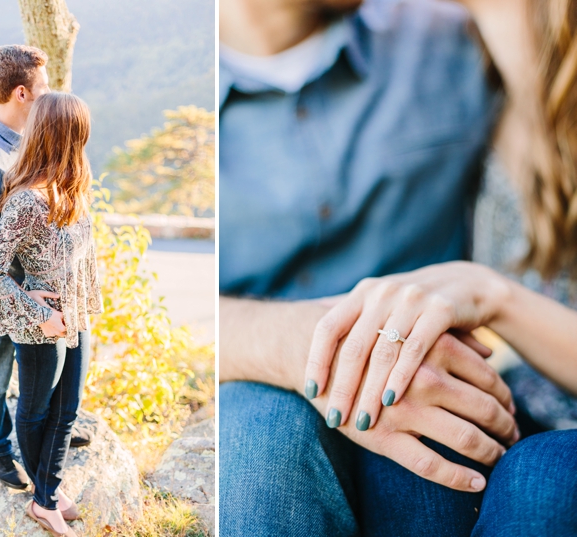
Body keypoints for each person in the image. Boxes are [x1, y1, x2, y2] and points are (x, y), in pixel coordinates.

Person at [218, 0, 518, 535]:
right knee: (258, 440)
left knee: (428, 443)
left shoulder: (461, 38)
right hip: (256, 392)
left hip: (437, 380)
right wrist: (295, 341)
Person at [302, 0, 577, 534]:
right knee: (409, 428)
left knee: (540, 476)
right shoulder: (469, 85)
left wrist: (495, 296)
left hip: (551, 439)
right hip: (531, 398)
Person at [0, 45, 91, 492]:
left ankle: (49, 438)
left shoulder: (31, 142)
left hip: (33, 286)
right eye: (43, 88)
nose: (49, 95)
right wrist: (22, 296)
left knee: (36, 377)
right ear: (21, 94)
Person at [0, 92, 102, 537]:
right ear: (68, 134)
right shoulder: (26, 201)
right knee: (36, 412)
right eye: (82, 129)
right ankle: (44, 501)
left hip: (77, 316)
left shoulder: (72, 186)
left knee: (67, 408)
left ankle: (48, 490)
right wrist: (39, 313)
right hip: (42, 324)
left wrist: (84, 307)